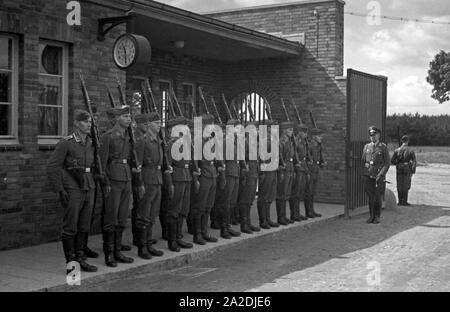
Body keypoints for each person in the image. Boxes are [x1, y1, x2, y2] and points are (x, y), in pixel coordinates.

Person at [47, 109, 98, 273]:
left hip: (88, 186)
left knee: (84, 225)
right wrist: (60, 189)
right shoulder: (67, 142)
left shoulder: (90, 142)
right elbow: (52, 167)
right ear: (76, 123)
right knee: (70, 227)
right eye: (85, 121)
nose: (88, 124)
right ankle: (71, 264)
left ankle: (81, 259)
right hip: (73, 188)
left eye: (90, 121)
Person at [99, 106, 142, 267]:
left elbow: (130, 159)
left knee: (123, 217)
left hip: (126, 179)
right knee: (111, 217)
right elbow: (102, 164)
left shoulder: (128, 137)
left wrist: (134, 168)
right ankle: (109, 253)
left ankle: (118, 251)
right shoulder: (107, 137)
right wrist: (106, 184)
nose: (129, 119)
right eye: (125, 116)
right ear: (116, 119)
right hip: (113, 180)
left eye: (129, 116)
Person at [133, 113, 168, 259]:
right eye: (156, 122)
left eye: (160, 122)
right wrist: (139, 183)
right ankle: (142, 248)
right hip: (147, 181)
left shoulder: (158, 141)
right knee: (144, 215)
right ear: (148, 125)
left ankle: (149, 244)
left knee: (152, 215)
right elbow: (137, 165)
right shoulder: (142, 142)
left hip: (157, 180)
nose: (159, 125)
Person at [162, 116, 199, 252]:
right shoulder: (172, 145)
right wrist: (170, 184)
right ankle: (172, 241)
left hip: (186, 178)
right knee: (174, 210)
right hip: (177, 179)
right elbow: (167, 167)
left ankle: (178, 237)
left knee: (183, 210)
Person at [190, 114, 223, 244]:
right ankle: (197, 234)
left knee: (208, 206)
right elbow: (194, 161)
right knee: (199, 206)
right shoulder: (197, 141)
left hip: (212, 174)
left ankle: (204, 231)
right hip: (203, 175)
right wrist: (196, 178)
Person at [215, 119, 242, 239]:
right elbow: (222, 162)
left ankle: (228, 225)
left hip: (234, 174)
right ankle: (224, 228)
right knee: (225, 202)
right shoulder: (226, 142)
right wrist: (223, 178)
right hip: (228, 175)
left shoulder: (234, 142)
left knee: (231, 202)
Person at [361, 126, 390, 224]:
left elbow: (387, 163)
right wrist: (365, 173)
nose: (372, 137)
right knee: (370, 197)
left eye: (374, 135)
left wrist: (381, 174)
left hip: (378, 176)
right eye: (371, 135)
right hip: (369, 175)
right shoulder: (367, 147)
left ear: (378, 135)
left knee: (377, 197)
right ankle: (371, 216)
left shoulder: (383, 147)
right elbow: (363, 160)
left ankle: (377, 216)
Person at [237, 120, 260, 234]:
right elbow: (242, 158)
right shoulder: (245, 143)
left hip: (254, 172)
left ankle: (248, 222)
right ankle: (244, 224)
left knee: (250, 199)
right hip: (248, 173)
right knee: (245, 199)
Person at [257, 120, 279, 229]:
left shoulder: (273, 140)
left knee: (270, 196)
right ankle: (263, 220)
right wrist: (262, 172)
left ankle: (268, 218)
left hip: (273, 169)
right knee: (263, 196)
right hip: (266, 170)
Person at [276, 120, 295, 225]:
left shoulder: (290, 141)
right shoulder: (282, 142)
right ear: (284, 130)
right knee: (281, 194)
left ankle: (284, 216)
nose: (291, 131)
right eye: (289, 130)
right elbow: (280, 156)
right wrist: (282, 168)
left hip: (290, 168)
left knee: (287, 194)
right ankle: (280, 217)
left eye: (292, 130)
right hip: (284, 169)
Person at [289, 123, 309, 222]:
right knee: (295, 192)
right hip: (297, 168)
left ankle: (297, 212)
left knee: (300, 191)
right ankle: (294, 214)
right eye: (304, 132)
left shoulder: (303, 142)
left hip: (302, 167)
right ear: (300, 132)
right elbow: (293, 155)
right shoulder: (295, 141)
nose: (306, 134)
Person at [304, 127, 326, 218]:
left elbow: (319, 159)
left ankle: (311, 210)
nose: (321, 138)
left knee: (313, 192)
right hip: (310, 170)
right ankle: (308, 211)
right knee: (308, 192)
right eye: (319, 136)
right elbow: (306, 159)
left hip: (315, 170)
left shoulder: (318, 146)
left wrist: (322, 163)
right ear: (314, 137)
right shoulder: (310, 146)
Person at [391, 135, 416, 206]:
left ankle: (400, 201)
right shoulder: (410, 150)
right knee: (406, 184)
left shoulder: (397, 150)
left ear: (402, 141)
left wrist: (398, 164)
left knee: (399, 184)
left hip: (399, 168)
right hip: (407, 168)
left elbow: (392, 160)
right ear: (408, 141)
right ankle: (404, 201)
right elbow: (414, 161)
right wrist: (413, 170)